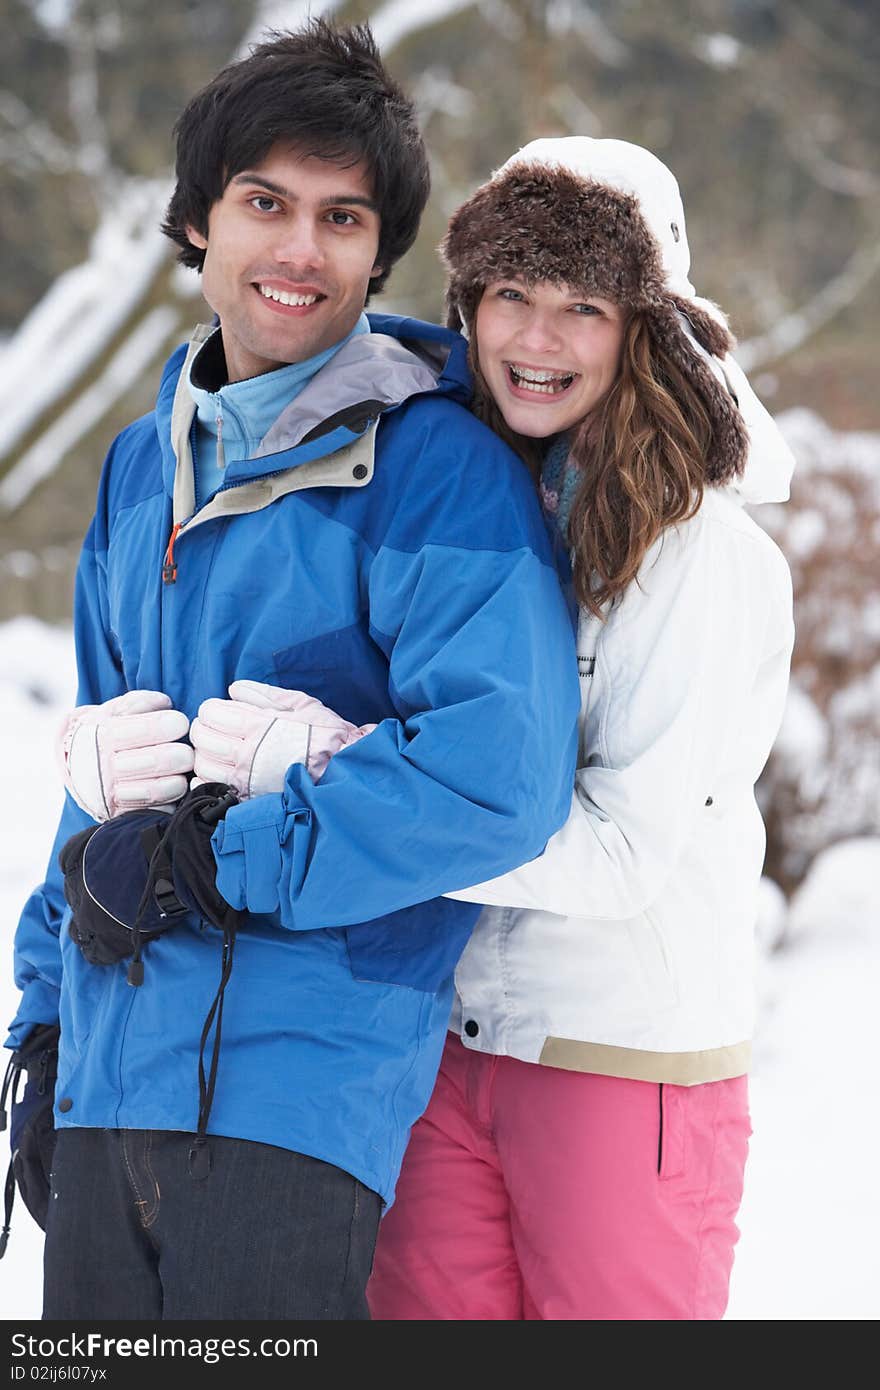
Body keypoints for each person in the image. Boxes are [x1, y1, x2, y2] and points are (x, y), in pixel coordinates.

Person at [5, 29, 580, 1321]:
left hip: (298, 1095)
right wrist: (43, 1023)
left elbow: (502, 776)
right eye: (265, 203)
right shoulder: (138, 467)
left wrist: (233, 856)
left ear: (381, 252)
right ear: (198, 223)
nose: (300, 250)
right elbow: (110, 774)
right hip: (108, 1075)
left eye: (342, 216)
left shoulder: (443, 473)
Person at [363, 138, 796, 1320]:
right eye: (509, 294)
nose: (535, 341)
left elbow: (616, 855)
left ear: (645, 331)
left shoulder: (701, 557)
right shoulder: (481, 511)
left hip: (620, 1056)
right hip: (448, 1042)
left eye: (583, 306)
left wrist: (350, 793)